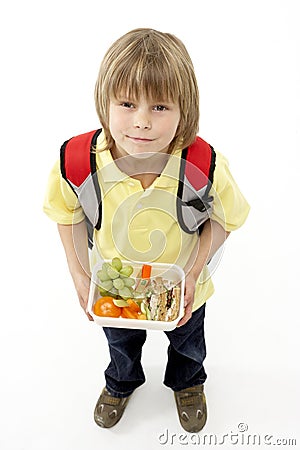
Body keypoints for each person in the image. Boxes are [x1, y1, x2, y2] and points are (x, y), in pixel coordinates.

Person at [43, 28, 250, 433]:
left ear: (184, 110)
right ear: (104, 103)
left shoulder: (203, 163)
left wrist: (191, 273)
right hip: (116, 288)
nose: (141, 122)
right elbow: (65, 211)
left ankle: (188, 383)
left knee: (188, 343)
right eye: (126, 103)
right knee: (120, 343)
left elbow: (225, 217)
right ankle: (121, 381)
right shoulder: (79, 160)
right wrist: (79, 274)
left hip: (185, 288)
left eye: (159, 106)